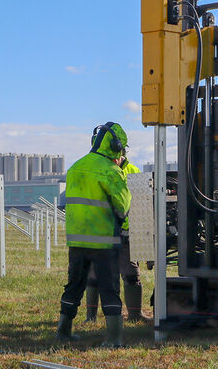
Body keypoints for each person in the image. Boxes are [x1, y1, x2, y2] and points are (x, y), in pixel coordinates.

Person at [55, 122, 131, 347]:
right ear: (117, 147)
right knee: (109, 289)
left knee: (74, 285)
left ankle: (63, 331)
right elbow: (123, 205)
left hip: (77, 240)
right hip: (104, 242)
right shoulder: (110, 170)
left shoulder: (76, 167)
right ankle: (114, 338)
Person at [84, 152, 151, 323]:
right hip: (101, 232)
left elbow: (143, 204)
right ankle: (90, 317)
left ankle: (135, 315)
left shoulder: (133, 171)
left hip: (127, 234)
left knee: (131, 274)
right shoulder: (96, 170)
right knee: (93, 274)